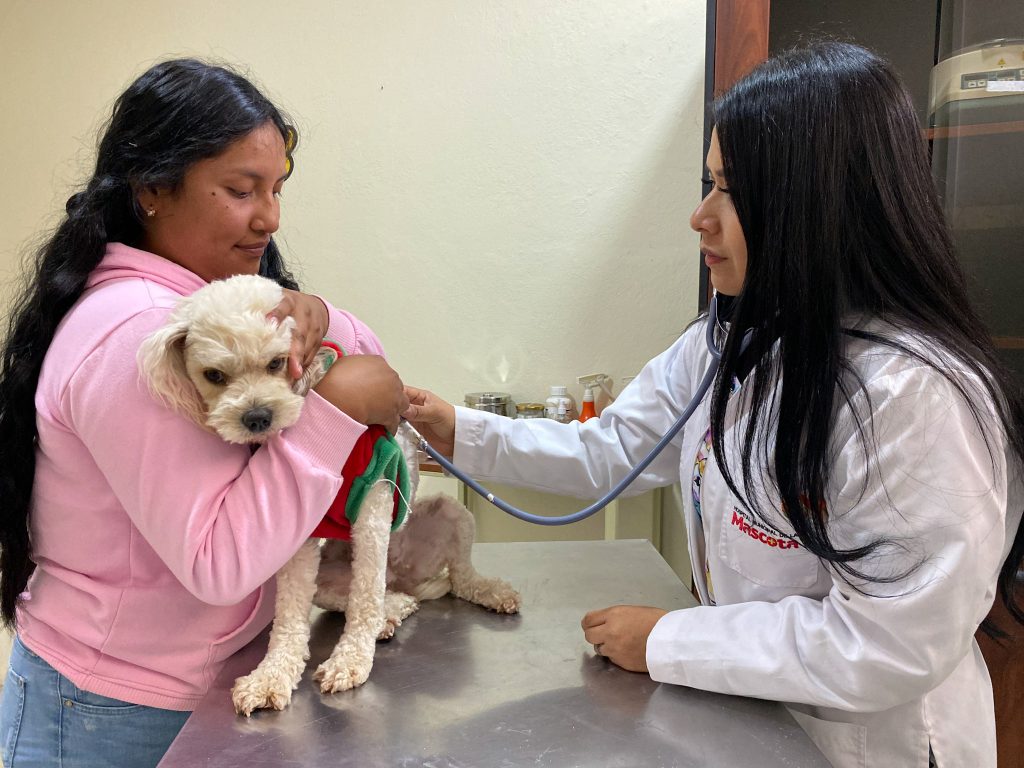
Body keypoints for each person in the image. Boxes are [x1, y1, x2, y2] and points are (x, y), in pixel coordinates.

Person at [404, 41, 1024, 768]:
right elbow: (611, 450)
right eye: (710, 183)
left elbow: (887, 644)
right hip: (757, 720)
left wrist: (667, 641)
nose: (700, 217)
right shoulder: (727, 342)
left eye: (731, 191)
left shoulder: (913, 397)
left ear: (815, 203)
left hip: (871, 746)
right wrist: (455, 429)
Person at [0, 59, 408, 767]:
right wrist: (333, 408)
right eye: (241, 191)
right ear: (153, 190)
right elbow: (218, 562)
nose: (269, 217)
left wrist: (317, 313)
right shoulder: (142, 333)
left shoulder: (213, 301)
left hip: (182, 683)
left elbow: (373, 362)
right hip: (112, 709)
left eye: (276, 190)